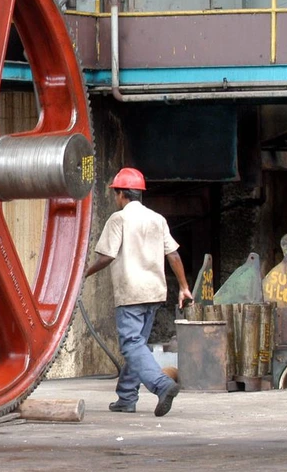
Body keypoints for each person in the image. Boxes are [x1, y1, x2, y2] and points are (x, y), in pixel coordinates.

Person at [84, 167, 192, 417]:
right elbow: (173, 254)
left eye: (116, 193)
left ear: (122, 194)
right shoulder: (157, 218)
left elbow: (107, 256)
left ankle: (161, 385)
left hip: (131, 292)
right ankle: (126, 397)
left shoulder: (118, 219)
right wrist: (184, 287)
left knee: (131, 345)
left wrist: (84, 274)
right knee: (139, 344)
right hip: (154, 292)